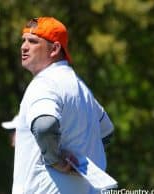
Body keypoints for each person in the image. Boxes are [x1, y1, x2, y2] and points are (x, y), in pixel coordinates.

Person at [12, 17, 114, 194]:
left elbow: (45, 125)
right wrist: (80, 154)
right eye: (24, 40)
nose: (24, 47)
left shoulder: (44, 83)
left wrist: (55, 160)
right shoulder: (82, 90)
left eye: (33, 41)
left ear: (55, 49)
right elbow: (107, 131)